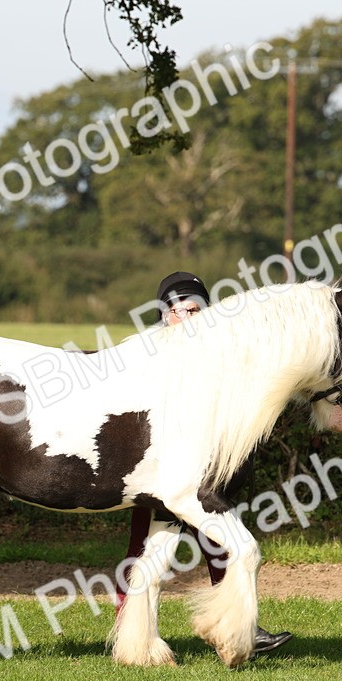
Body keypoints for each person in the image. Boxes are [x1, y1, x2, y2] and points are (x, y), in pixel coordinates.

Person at [115, 271, 293, 655]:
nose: (190, 319)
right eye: (182, 311)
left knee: (218, 544)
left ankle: (236, 625)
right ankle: (127, 620)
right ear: (165, 314)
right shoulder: (147, 351)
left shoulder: (218, 354)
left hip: (199, 469)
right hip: (156, 471)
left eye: (197, 310)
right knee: (146, 546)